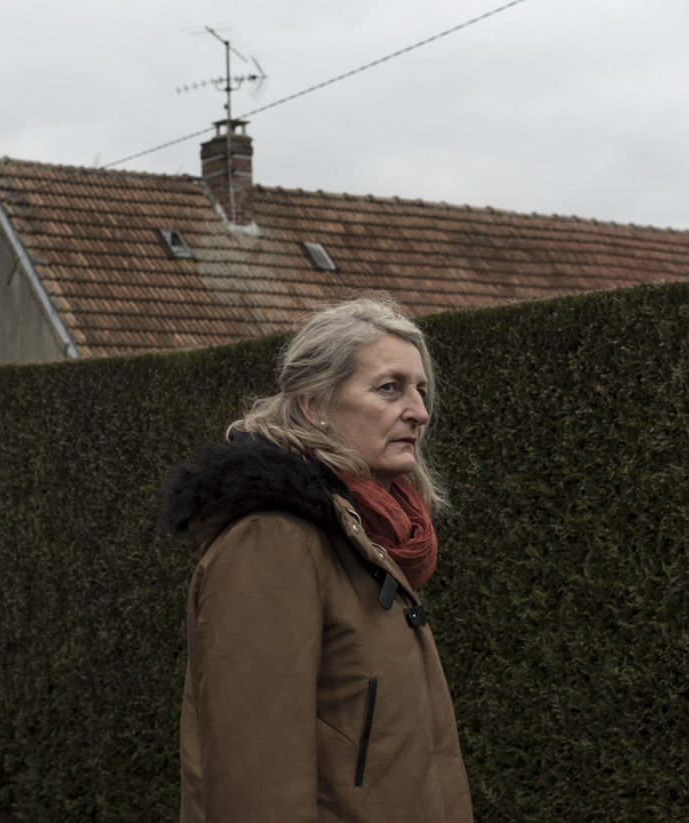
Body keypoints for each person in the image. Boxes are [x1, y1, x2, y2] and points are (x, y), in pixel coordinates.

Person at [161, 297, 473, 823]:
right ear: (314, 405)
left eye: (420, 390)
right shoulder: (273, 540)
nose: (419, 412)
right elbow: (256, 778)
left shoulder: (365, 539)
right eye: (390, 387)